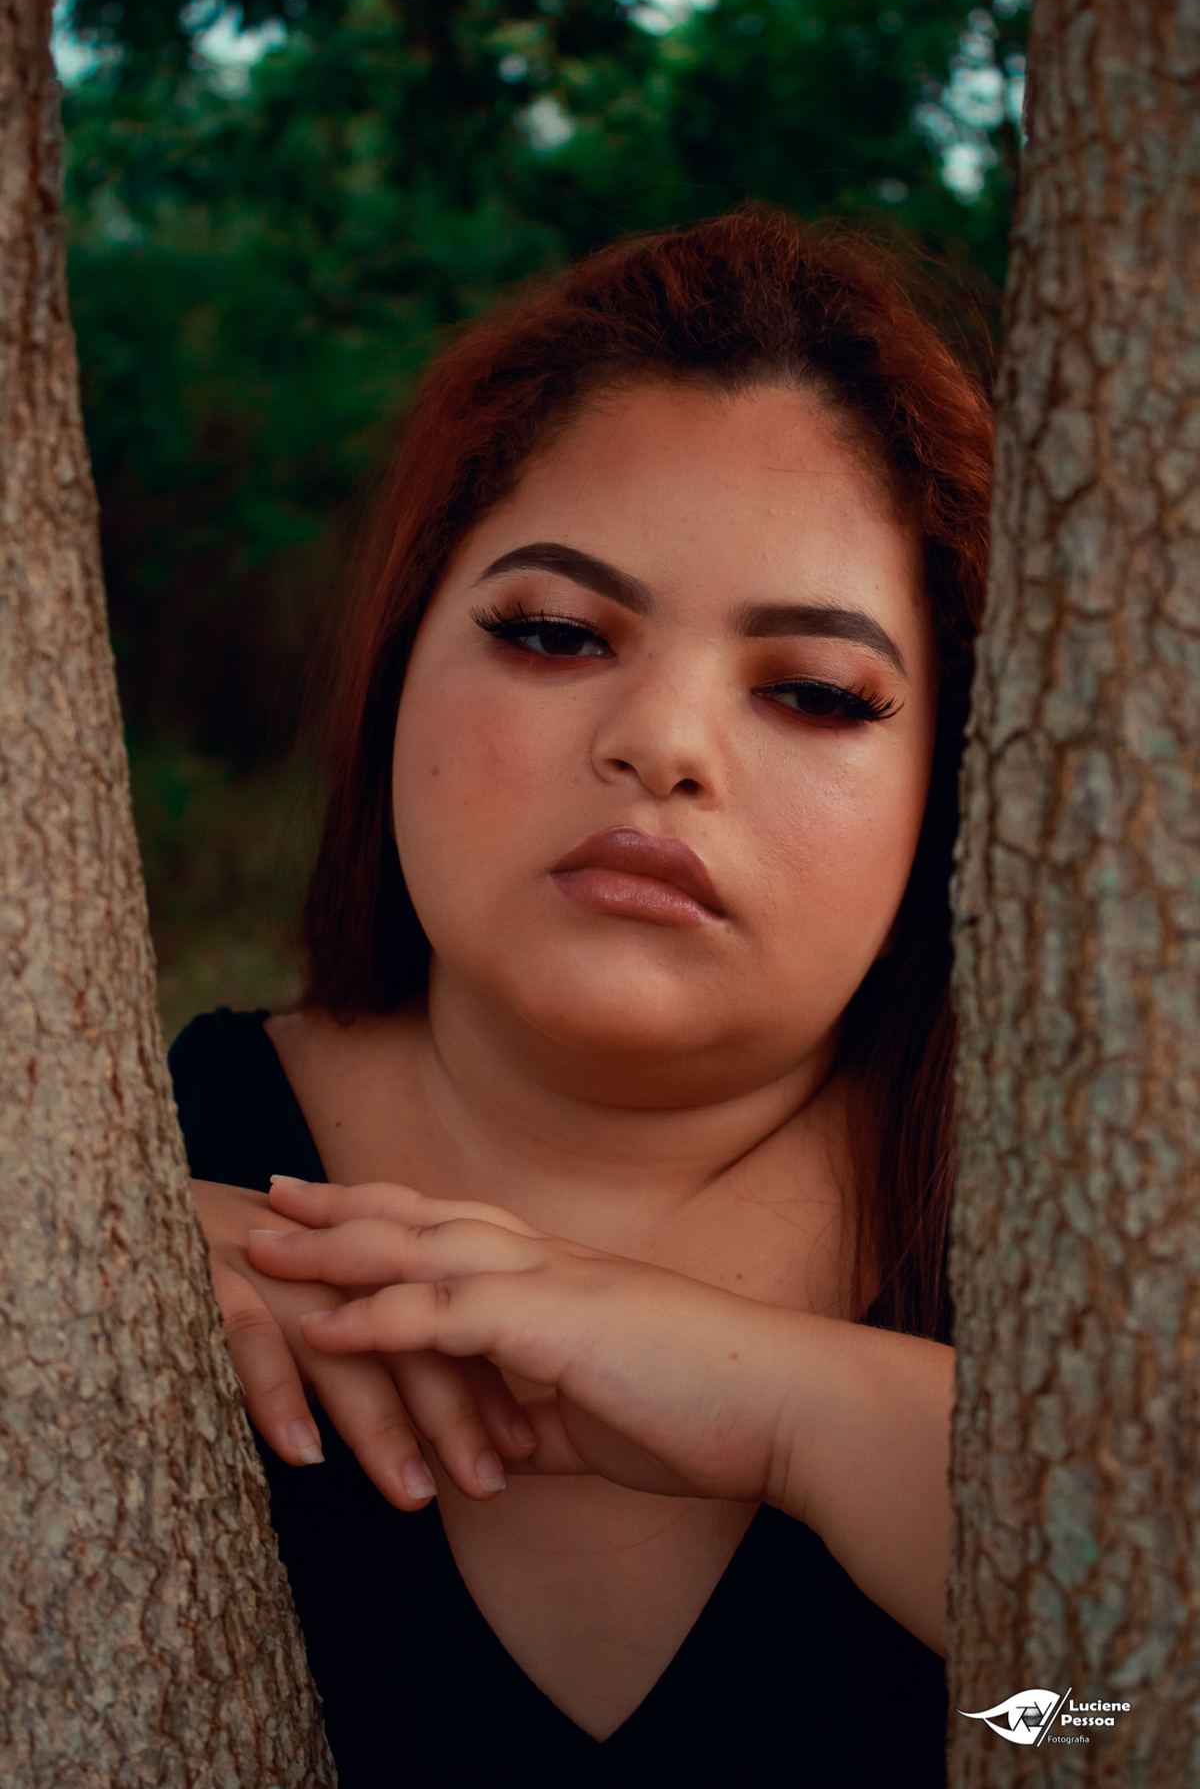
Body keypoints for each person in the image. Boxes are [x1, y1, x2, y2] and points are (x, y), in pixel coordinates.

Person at [169, 206, 992, 1786]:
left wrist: (805, 1417)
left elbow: (1112, 1723)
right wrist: (73, 1281)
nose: (662, 741)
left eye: (816, 691)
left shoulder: (1071, 1250)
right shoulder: (143, 1166)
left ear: (958, 782)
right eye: (553, 633)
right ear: (400, 661)